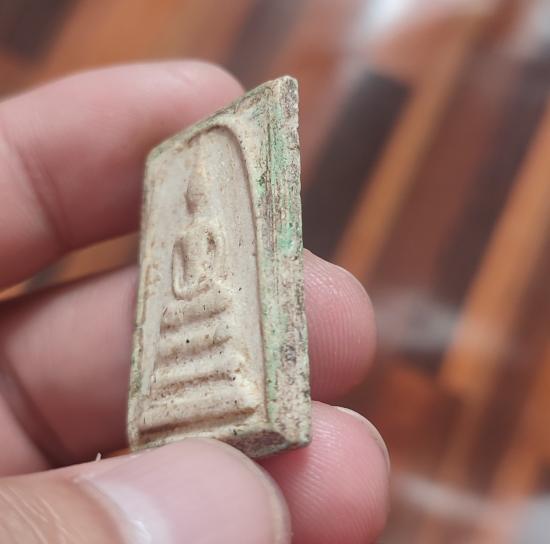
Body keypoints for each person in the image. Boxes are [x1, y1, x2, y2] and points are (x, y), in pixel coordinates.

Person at [0, 61, 389, 544]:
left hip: (212, 304)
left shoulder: (208, 230)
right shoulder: (186, 232)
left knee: (223, 316)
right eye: (194, 195)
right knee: (178, 322)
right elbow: (182, 281)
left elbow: (213, 273)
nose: (196, 201)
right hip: (188, 309)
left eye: (201, 194)